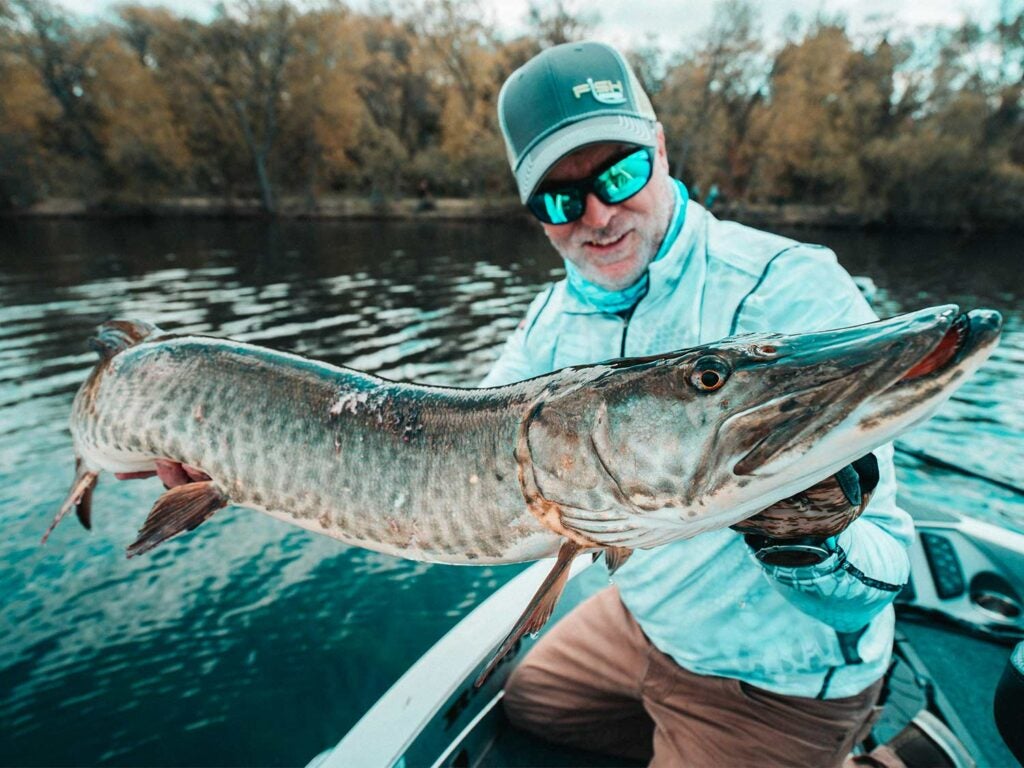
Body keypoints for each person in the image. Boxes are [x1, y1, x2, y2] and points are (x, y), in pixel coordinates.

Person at [485, 40, 913, 767]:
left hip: (775, 678)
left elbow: (884, 572)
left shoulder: (794, 291)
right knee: (519, 704)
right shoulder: (548, 324)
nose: (598, 214)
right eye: (560, 199)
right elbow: (475, 469)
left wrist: (806, 540)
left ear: (660, 146)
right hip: (646, 622)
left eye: (620, 172)